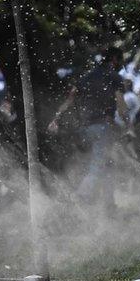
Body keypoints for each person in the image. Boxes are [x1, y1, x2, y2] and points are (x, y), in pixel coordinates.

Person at [48, 47, 127, 208]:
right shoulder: (115, 77)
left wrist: (55, 118)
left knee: (107, 164)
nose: (121, 64)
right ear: (114, 59)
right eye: (120, 60)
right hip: (102, 128)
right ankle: (77, 201)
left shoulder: (85, 77)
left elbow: (69, 100)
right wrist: (128, 124)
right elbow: (121, 106)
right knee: (97, 166)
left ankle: (109, 204)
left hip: (84, 129)